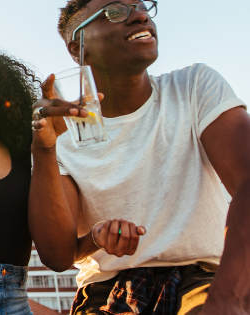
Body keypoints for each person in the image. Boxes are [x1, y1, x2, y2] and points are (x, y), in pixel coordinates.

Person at [30, 1, 250, 314]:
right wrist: (44, 150)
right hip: (106, 290)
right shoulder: (60, 133)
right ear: (78, 47)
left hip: (203, 280)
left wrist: (228, 300)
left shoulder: (194, 86)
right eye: (115, 11)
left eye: (142, 5)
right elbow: (58, 256)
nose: (140, 15)